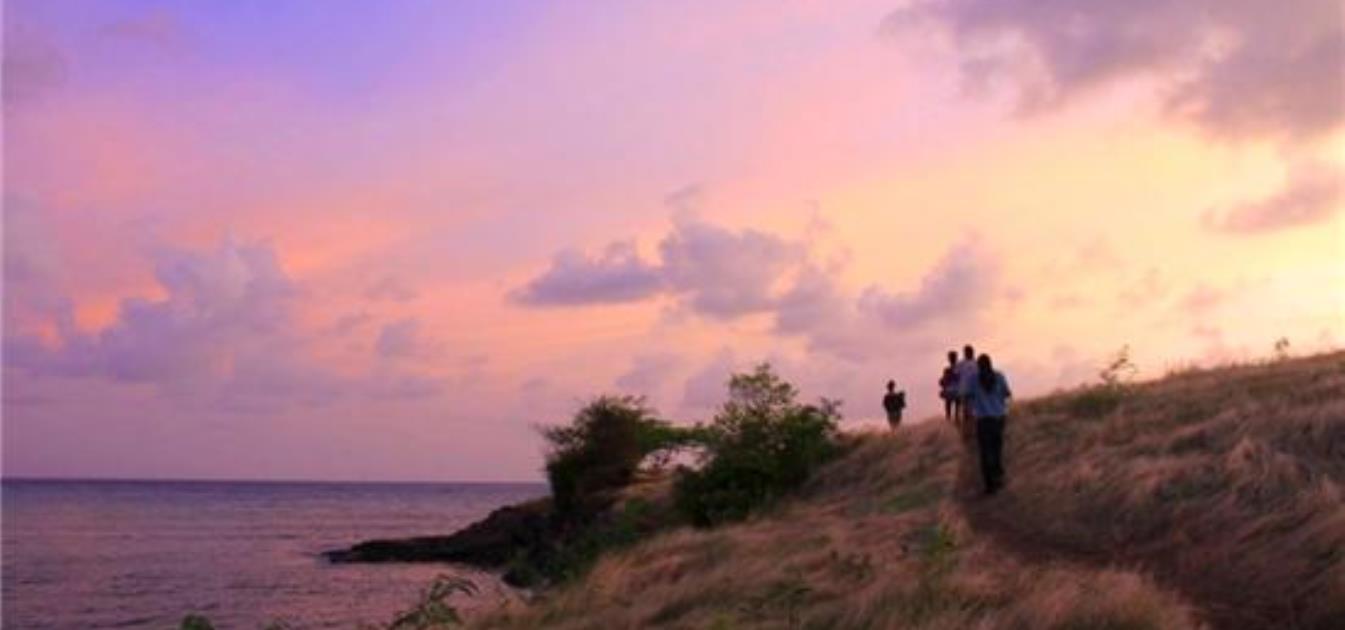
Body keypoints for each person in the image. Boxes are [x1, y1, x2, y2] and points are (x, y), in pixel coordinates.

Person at [966, 354, 1012, 494]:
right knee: (996, 449)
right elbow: (1007, 394)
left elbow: (968, 397)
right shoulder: (999, 376)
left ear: (978, 366)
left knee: (985, 452)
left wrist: (972, 411)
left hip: (983, 420)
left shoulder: (973, 379)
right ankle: (998, 476)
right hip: (998, 418)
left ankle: (989, 484)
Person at [955, 345, 979, 440]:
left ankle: (974, 431)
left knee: (975, 412)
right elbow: (956, 375)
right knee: (965, 413)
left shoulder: (976, 363)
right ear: (965, 352)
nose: (968, 352)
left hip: (975, 391)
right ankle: (966, 433)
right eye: (966, 351)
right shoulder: (961, 363)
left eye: (970, 351)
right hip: (964, 391)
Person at [938, 351, 960, 421]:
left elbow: (943, 381)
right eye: (950, 358)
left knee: (952, 406)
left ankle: (952, 418)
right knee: (952, 407)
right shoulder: (949, 369)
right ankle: (952, 418)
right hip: (953, 391)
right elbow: (943, 381)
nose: (951, 359)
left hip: (955, 391)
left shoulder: (957, 368)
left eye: (951, 358)